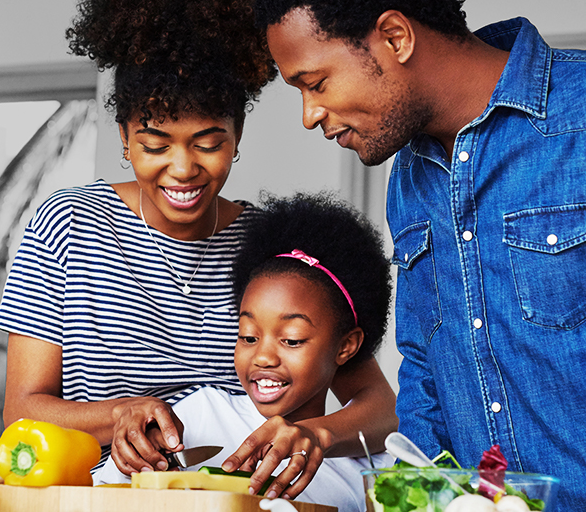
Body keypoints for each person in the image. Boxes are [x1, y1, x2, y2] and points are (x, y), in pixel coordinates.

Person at [249, 0, 586, 511]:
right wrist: (410, 498)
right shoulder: (410, 180)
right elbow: (425, 371)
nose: (309, 115)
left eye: (315, 83)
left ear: (395, 38)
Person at [0, 0, 397, 500]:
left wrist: (311, 435)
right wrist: (123, 415)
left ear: (237, 136)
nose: (182, 170)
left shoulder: (268, 246)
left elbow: (381, 406)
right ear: (123, 137)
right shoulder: (66, 224)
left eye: (208, 143)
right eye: (155, 145)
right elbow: (22, 413)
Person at [98, 192, 394, 509]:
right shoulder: (198, 415)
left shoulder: (368, 466)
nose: (263, 357)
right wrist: (139, 459)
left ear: (346, 346)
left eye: (292, 340)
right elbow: (101, 495)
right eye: (248, 336)